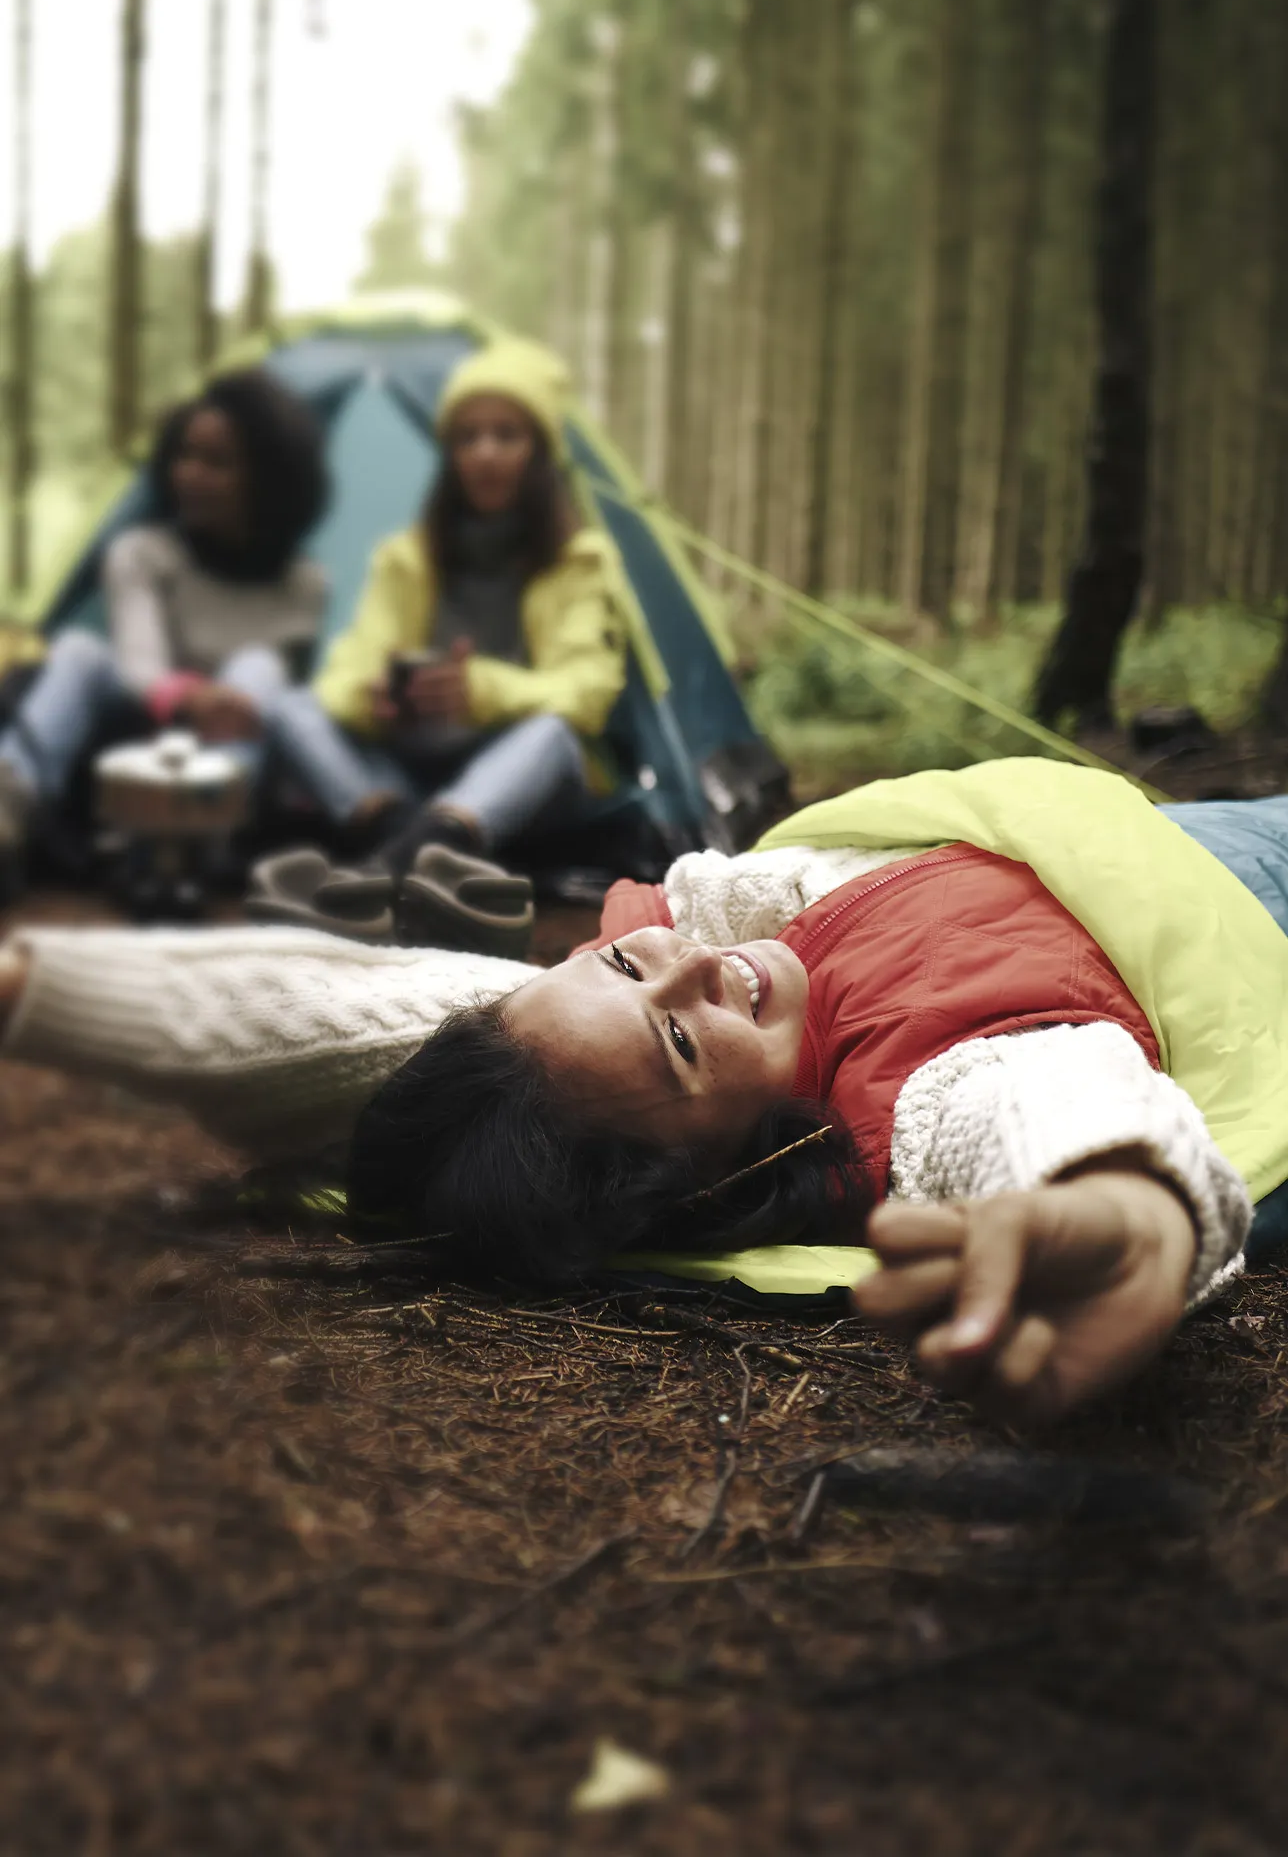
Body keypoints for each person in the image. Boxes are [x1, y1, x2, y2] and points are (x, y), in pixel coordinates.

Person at [3, 758, 1287, 1427]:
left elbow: (342, 1011)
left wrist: (28, 988)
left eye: (623, 959)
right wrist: (1122, 1207)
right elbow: (1039, 1112)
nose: (686, 969)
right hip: (1254, 899)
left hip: (1166, 835)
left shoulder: (662, 976)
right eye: (677, 1046)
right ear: (725, 1170)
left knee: (487, 1023)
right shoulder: (924, 1086)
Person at [260, 337, 632, 873]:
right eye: (467, 437)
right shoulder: (405, 558)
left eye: (507, 435)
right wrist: (374, 699)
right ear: (450, 455)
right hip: (414, 778)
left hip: (514, 787)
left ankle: (406, 855)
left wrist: (479, 689)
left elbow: (588, 693)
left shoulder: (578, 560)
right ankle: (413, 846)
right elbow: (343, 675)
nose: (484, 453)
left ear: (540, 454)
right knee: (294, 708)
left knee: (552, 735)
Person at [0, 369, 329, 885]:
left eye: (216, 463)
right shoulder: (141, 553)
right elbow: (139, 666)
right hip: (136, 742)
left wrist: (228, 705)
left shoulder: (305, 583)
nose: (189, 475)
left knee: (259, 666)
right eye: (184, 456)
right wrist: (193, 699)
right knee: (80, 649)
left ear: (268, 478)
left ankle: (204, 841)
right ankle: (9, 808)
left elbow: (278, 703)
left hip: (234, 763)